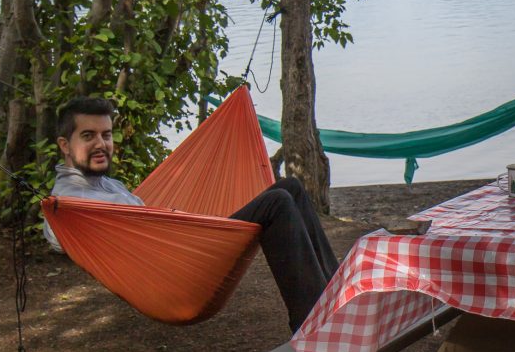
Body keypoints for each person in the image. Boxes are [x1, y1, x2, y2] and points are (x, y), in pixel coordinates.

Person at [42, 97, 338, 332]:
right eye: (88, 136)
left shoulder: (106, 182)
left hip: (186, 251)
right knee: (278, 203)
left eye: (106, 135)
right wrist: (62, 218)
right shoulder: (69, 201)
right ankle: (311, 324)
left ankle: (337, 298)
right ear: (65, 145)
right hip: (172, 274)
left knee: (290, 187)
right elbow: (57, 233)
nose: (101, 144)